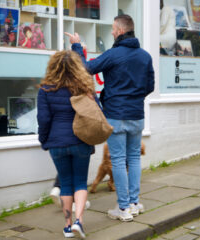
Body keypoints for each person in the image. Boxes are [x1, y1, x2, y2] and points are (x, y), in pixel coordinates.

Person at [65, 14, 155, 222]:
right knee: (133, 159)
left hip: (115, 115)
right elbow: (150, 86)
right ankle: (134, 203)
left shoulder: (114, 54)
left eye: (114, 29)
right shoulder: (145, 56)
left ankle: (123, 208)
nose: (112, 32)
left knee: (117, 160)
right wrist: (134, 98)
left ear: (121, 31)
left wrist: (77, 46)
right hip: (137, 115)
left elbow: (86, 69)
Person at [37, 50, 96, 238]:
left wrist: (44, 140)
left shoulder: (45, 89)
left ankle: (68, 226)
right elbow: (97, 112)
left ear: (53, 66)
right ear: (77, 67)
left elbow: (43, 119)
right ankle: (79, 221)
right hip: (81, 141)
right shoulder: (84, 86)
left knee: (66, 184)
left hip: (57, 143)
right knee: (80, 182)